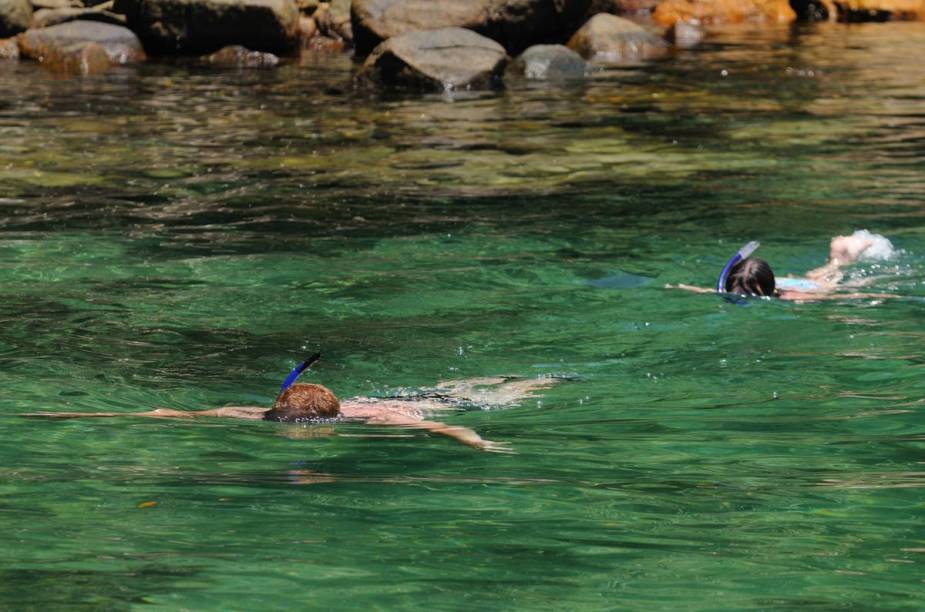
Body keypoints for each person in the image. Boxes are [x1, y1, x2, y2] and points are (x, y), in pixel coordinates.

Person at [24, 355, 558, 452]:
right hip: (400, 397)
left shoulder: (377, 418)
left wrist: (477, 440)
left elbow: (438, 429)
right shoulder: (257, 415)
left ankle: (542, 378)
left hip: (432, 405)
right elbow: (167, 414)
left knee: (490, 393)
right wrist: (81, 415)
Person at [667, 230, 896, 301]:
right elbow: (707, 291)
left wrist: (873, 294)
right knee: (820, 271)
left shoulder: (789, 296)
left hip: (808, 288)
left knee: (835, 274)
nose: (741, 297)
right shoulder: (730, 290)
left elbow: (835, 297)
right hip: (792, 281)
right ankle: (839, 253)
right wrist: (680, 287)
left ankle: (842, 254)